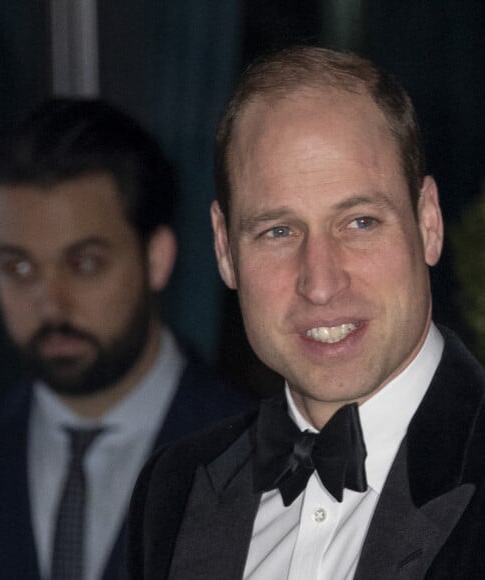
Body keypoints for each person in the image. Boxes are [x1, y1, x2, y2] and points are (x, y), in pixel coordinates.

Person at [126, 46, 485, 579]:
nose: (320, 284)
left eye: (360, 222)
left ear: (428, 221)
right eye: (278, 232)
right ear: (225, 250)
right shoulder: (173, 492)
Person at [0, 98, 249, 580]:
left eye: (84, 264)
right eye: (18, 268)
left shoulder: (266, 465)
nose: (51, 304)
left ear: (157, 258)